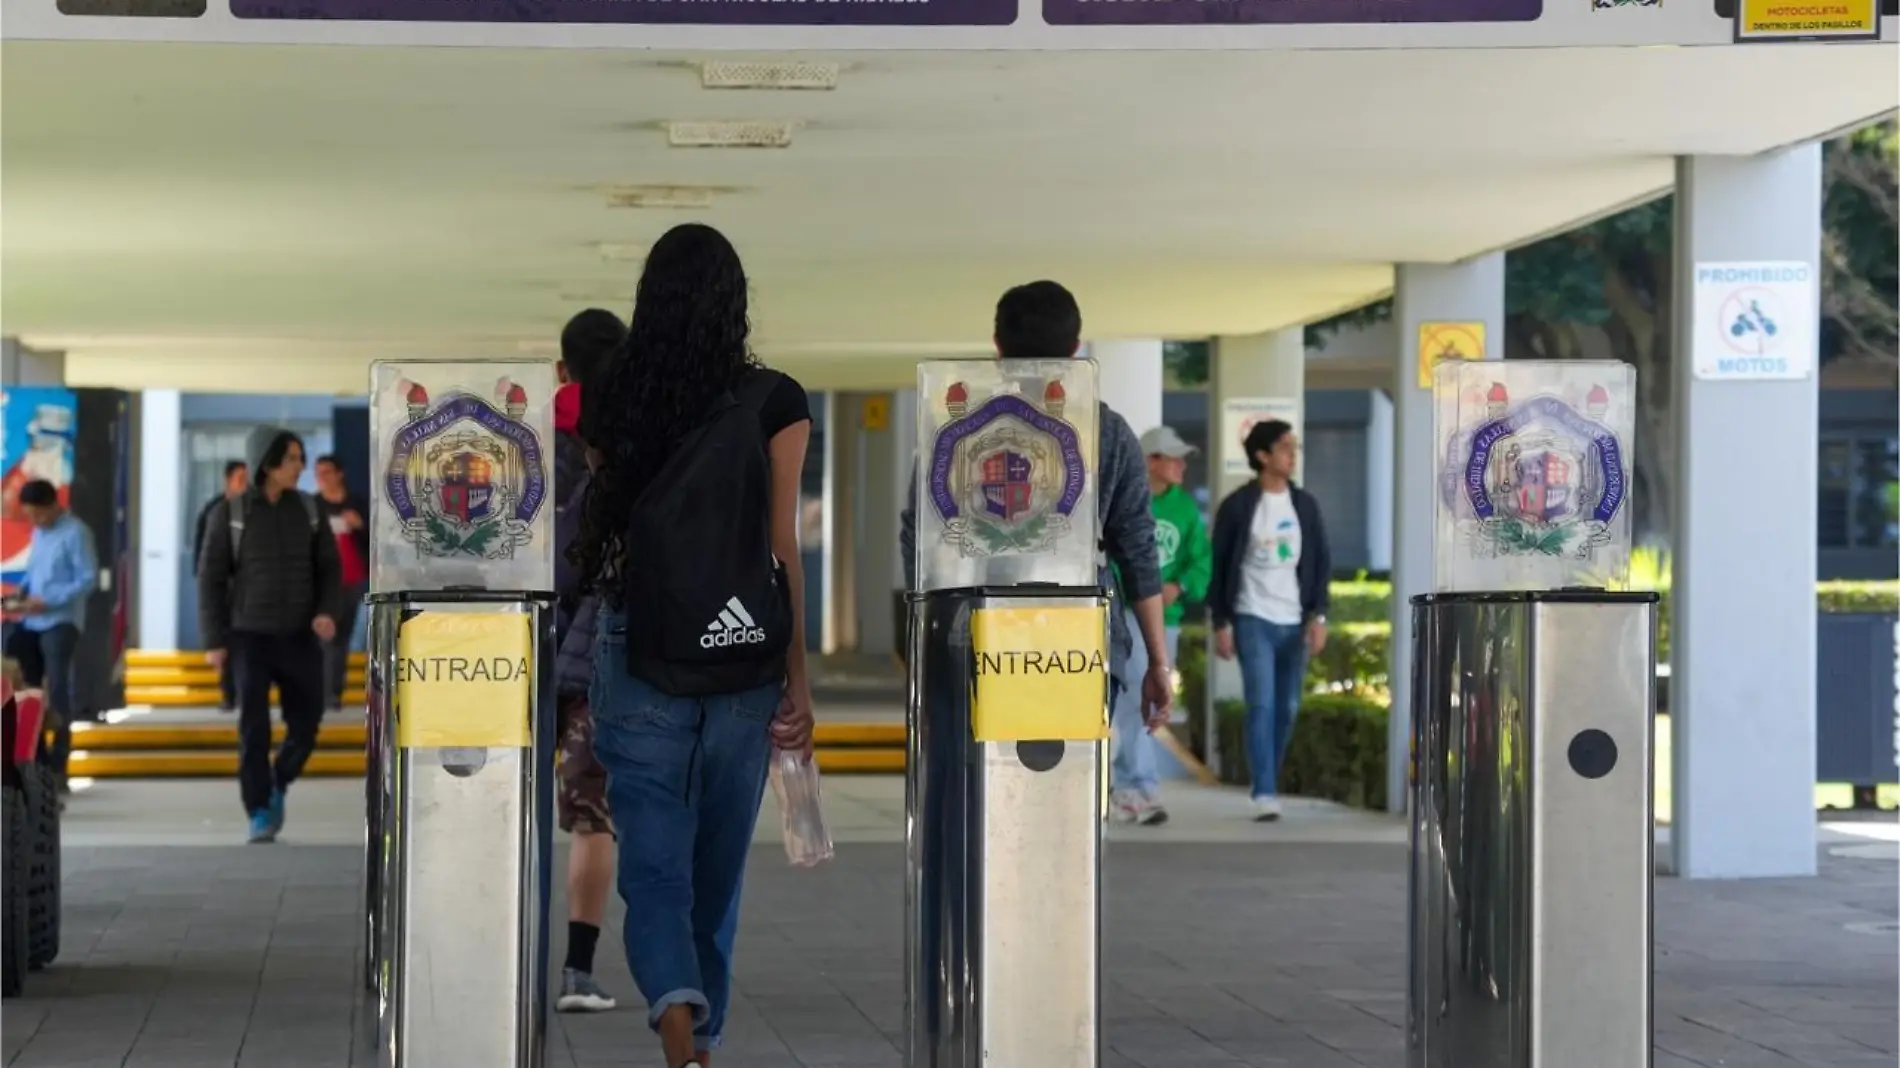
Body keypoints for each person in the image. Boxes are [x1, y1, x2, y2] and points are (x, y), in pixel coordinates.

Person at [572, 223, 814, 1068]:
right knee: (717, 870)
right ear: (735, 301)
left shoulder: (612, 396)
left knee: (654, 861)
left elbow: (609, 526)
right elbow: (781, 546)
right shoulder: (777, 399)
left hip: (639, 651)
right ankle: (704, 1035)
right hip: (743, 651)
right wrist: (798, 680)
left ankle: (678, 1019)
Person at [899, 281, 1174, 738]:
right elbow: (1138, 551)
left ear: (996, 347)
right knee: (1070, 788)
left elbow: (918, 540)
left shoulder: (952, 431)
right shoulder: (1107, 432)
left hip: (969, 640)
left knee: (975, 795)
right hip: (1078, 646)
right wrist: (1158, 663)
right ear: (1075, 348)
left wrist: (925, 652)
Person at [198, 428, 345, 843]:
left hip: (300, 636)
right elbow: (209, 578)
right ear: (268, 462)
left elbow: (330, 570)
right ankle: (259, 809)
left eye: (300, 458)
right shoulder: (229, 514)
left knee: (307, 724)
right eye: (293, 459)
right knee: (254, 728)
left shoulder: (310, 510)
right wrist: (214, 640)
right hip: (249, 637)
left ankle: (279, 779)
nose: (300, 466)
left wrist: (326, 612)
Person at [549, 307, 628, 1014]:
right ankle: (578, 970)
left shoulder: (535, 437)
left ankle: (490, 943)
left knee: (488, 799)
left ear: (560, 369)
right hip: (607, 656)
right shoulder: (651, 428)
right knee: (592, 816)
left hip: (524, 650)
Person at [1208, 419, 1331, 822]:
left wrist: (1319, 617)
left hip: (1293, 621)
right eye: (1284, 448)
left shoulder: (1305, 506)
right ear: (1262, 456)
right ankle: (1264, 790)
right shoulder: (1239, 506)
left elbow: (1320, 563)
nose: (1292, 455)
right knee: (1260, 704)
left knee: (1288, 708)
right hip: (1252, 617)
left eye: (1294, 448)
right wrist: (1221, 623)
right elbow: (1221, 565)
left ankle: (1269, 780)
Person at [1108, 425, 1213, 825]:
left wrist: (1180, 586)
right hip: (1127, 613)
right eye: (1173, 458)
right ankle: (1141, 788)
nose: (1182, 466)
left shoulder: (1185, 508)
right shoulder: (1127, 501)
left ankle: (1127, 787)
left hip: (1166, 618)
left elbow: (1201, 559)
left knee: (1150, 699)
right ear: (1151, 461)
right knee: (1138, 691)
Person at [2, 480, 98, 788]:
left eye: (39, 515)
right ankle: (35, 758)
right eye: (30, 516)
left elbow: (88, 578)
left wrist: (51, 600)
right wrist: (20, 594)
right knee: (26, 691)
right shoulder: (39, 532)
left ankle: (60, 761)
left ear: (54, 505)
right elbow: (34, 572)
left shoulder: (76, 533)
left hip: (61, 621)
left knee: (57, 689)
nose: (35, 521)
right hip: (31, 621)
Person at [312, 455, 369, 711]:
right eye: (318, 473)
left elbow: (376, 538)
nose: (322, 477)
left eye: (327, 472)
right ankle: (321, 691)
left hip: (353, 578)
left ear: (339, 474)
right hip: (322, 580)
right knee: (324, 636)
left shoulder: (356, 503)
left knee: (341, 638)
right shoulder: (312, 506)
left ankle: (333, 693)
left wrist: (360, 525)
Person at [193, 460, 249, 711]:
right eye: (240, 478)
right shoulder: (215, 510)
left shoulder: (253, 509)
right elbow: (202, 552)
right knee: (225, 643)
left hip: (247, 590)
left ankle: (242, 691)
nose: (245, 484)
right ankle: (228, 694)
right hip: (222, 587)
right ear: (228, 480)